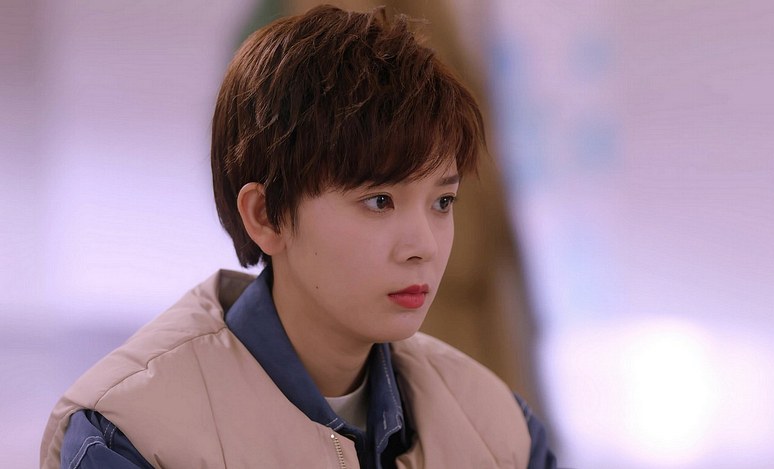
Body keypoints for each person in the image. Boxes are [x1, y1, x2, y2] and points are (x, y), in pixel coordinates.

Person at [40, 4, 557, 468]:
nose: (423, 245)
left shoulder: (497, 429)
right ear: (265, 216)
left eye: (443, 202)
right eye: (379, 201)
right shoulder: (131, 435)